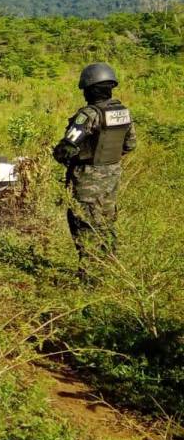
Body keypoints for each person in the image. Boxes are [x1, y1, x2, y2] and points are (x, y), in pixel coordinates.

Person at [52, 62, 136, 282]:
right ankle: (111, 268)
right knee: (106, 222)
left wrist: (65, 156)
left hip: (88, 177)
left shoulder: (88, 115)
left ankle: (90, 278)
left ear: (88, 89)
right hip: (112, 177)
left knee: (84, 223)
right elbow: (130, 145)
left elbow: (66, 149)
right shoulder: (122, 112)